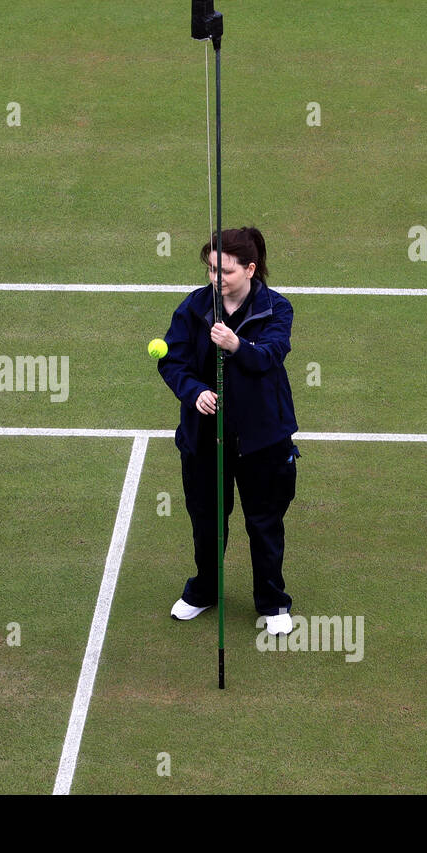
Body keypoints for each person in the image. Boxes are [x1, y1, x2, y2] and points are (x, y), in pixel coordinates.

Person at [157, 227, 300, 636]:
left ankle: (273, 601)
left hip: (263, 440)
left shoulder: (276, 308)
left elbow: (271, 356)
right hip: (206, 440)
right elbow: (172, 362)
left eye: (225, 270)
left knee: (265, 523)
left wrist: (237, 346)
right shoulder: (195, 307)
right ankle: (204, 590)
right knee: (206, 521)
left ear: (250, 269)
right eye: (211, 269)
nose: (216, 278)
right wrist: (195, 391)